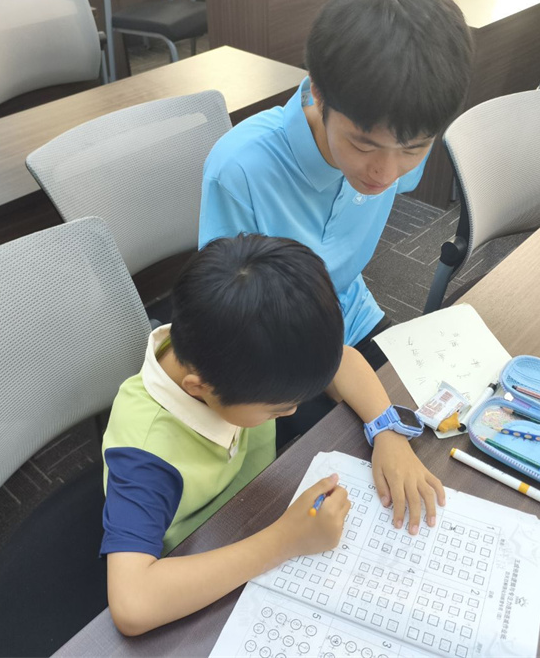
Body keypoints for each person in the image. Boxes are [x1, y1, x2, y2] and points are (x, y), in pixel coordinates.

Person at [102, 235, 444, 635]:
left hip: (254, 509)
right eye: (278, 409)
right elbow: (132, 603)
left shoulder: (233, 350)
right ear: (199, 389)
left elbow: (342, 362)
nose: (292, 411)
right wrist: (286, 540)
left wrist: (387, 431)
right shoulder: (145, 453)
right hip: (201, 562)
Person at [199, 0, 473, 367]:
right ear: (318, 93)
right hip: (270, 343)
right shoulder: (240, 171)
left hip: (351, 318)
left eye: (412, 149)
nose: (386, 173)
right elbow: (229, 313)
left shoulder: (406, 132)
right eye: (363, 145)